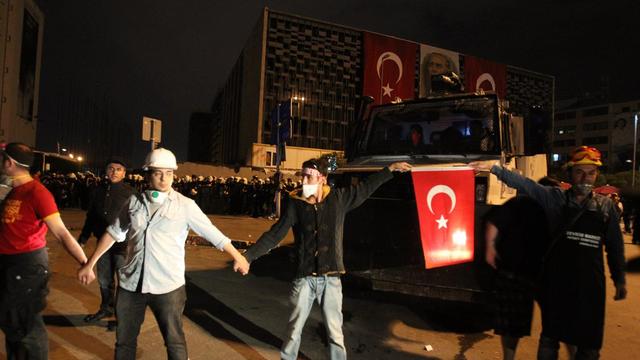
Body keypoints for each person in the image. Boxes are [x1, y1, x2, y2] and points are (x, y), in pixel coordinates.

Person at [78, 148, 250, 360]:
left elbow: (212, 233)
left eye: (169, 173)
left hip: (168, 287)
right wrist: (90, 263)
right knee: (124, 342)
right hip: (132, 286)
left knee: (174, 341)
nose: (164, 178)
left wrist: (238, 256)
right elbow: (113, 233)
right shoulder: (134, 202)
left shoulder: (185, 206)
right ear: (148, 174)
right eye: (158, 172)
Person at [240, 157, 412, 360]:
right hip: (304, 278)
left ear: (322, 178)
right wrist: (248, 257)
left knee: (335, 332)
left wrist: (389, 169)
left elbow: (365, 188)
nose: (303, 181)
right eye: (302, 176)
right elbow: (275, 234)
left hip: (331, 278)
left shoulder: (338, 199)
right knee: (294, 330)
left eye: (308, 177)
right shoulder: (296, 204)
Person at [471, 145, 627, 359]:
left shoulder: (606, 208)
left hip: (590, 288)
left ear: (597, 174)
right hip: (557, 285)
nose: (585, 178)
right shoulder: (556, 198)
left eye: (591, 172)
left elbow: (615, 246)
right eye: (579, 172)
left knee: (589, 346)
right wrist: (495, 169)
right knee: (550, 340)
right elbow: (526, 185)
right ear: (570, 174)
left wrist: (619, 279)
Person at [0, 142, 87, 359]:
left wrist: (85, 263)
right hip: (9, 265)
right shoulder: (13, 190)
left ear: (9, 163)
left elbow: (61, 233)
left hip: (27, 267)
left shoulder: (38, 192)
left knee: (28, 326)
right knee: (11, 321)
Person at [484, 183, 551, 360]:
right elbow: (495, 221)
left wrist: (490, 248)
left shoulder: (554, 205)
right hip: (519, 271)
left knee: (553, 325)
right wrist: (490, 248)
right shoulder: (521, 203)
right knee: (514, 324)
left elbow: (493, 221)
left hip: (535, 271)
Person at [79, 158, 135, 324]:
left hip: (123, 245)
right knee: (104, 280)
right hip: (102, 245)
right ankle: (106, 309)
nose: (114, 172)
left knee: (124, 282)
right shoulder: (97, 190)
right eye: (111, 168)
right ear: (106, 171)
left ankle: (122, 316)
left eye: (119, 169)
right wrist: (83, 238)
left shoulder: (131, 192)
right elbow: (91, 216)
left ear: (124, 173)